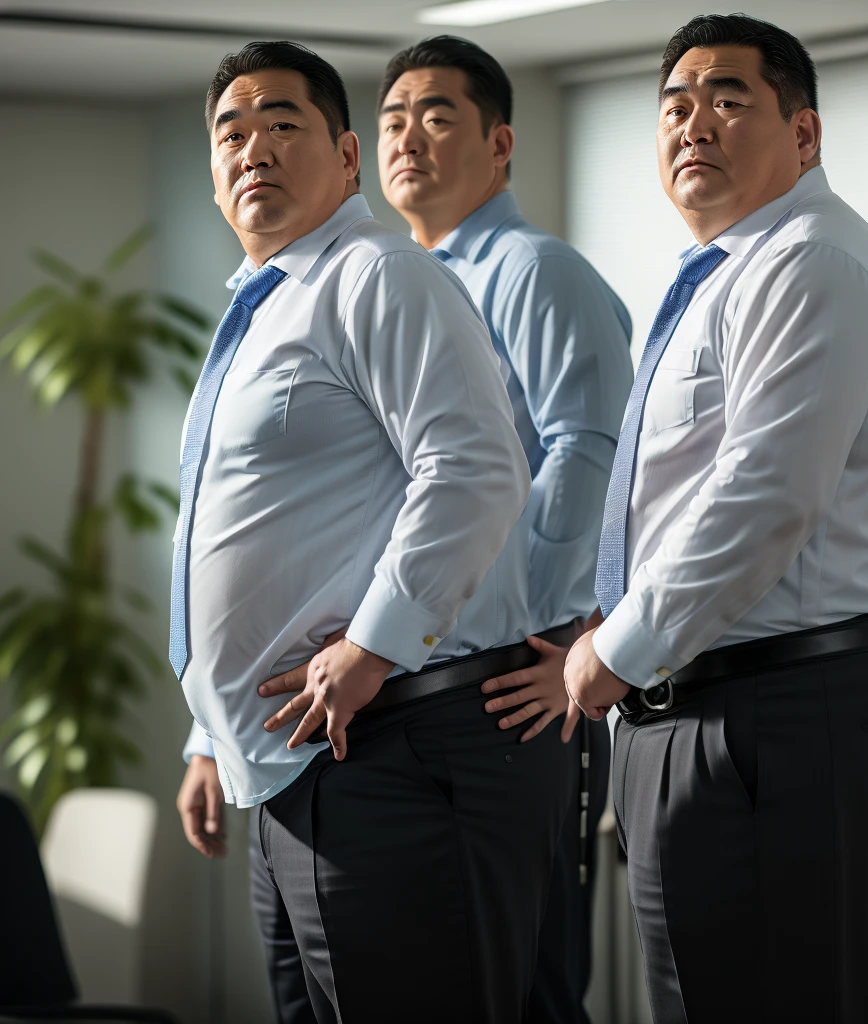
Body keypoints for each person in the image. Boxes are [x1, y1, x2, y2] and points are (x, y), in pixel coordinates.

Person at [172, 40, 573, 1024]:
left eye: (282, 124)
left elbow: (478, 469)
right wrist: (208, 731)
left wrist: (370, 644)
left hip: (395, 742)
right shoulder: (267, 308)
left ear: (347, 159)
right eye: (232, 130)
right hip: (294, 757)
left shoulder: (376, 275)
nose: (253, 146)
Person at [563, 13, 868, 1024]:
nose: (694, 123)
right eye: (674, 106)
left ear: (803, 135)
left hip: (793, 718)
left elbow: (763, 494)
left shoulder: (813, 262)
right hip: (705, 713)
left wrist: (620, 648)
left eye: (727, 100)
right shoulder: (727, 274)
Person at [376, 36, 633, 1024]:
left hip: (510, 686)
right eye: (393, 116)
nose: (408, 135)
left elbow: (590, 452)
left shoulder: (531, 270)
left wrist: (561, 630)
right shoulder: (404, 284)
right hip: (420, 688)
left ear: (500, 143)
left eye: (437, 114)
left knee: (525, 987)